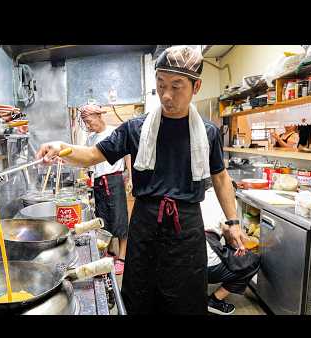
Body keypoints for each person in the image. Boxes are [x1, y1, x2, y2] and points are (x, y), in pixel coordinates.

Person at [36, 45, 247, 314]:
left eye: (176, 86)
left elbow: (220, 177)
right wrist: (60, 147)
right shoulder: (136, 129)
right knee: (140, 297)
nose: (166, 95)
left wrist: (234, 222)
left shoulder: (207, 133)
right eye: (161, 85)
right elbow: (91, 155)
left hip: (187, 229)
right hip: (146, 226)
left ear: (196, 87)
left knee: (186, 302)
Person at [79, 104, 131, 275]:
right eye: (85, 122)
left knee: (120, 220)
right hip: (98, 183)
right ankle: (109, 252)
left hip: (114, 180)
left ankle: (122, 258)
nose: (87, 125)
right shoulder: (90, 139)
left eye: (89, 121)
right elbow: (88, 160)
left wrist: (130, 176)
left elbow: (127, 154)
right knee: (103, 221)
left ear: (98, 115)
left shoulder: (113, 132)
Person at [201, 187, 260, 315]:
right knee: (252, 262)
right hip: (207, 266)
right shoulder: (226, 200)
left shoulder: (202, 196)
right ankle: (214, 301)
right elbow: (230, 232)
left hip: (185, 258)